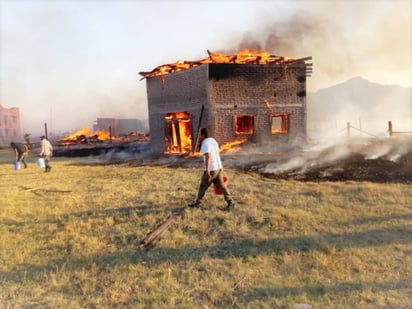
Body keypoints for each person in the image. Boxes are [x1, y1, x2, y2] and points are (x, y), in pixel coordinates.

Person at [188, 128, 234, 211]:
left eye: (199, 135)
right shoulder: (213, 141)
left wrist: (207, 171)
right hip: (218, 167)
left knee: (203, 186)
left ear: (203, 135)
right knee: (222, 186)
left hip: (212, 169)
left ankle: (198, 203)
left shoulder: (205, 144)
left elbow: (208, 156)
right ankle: (230, 202)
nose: (198, 137)